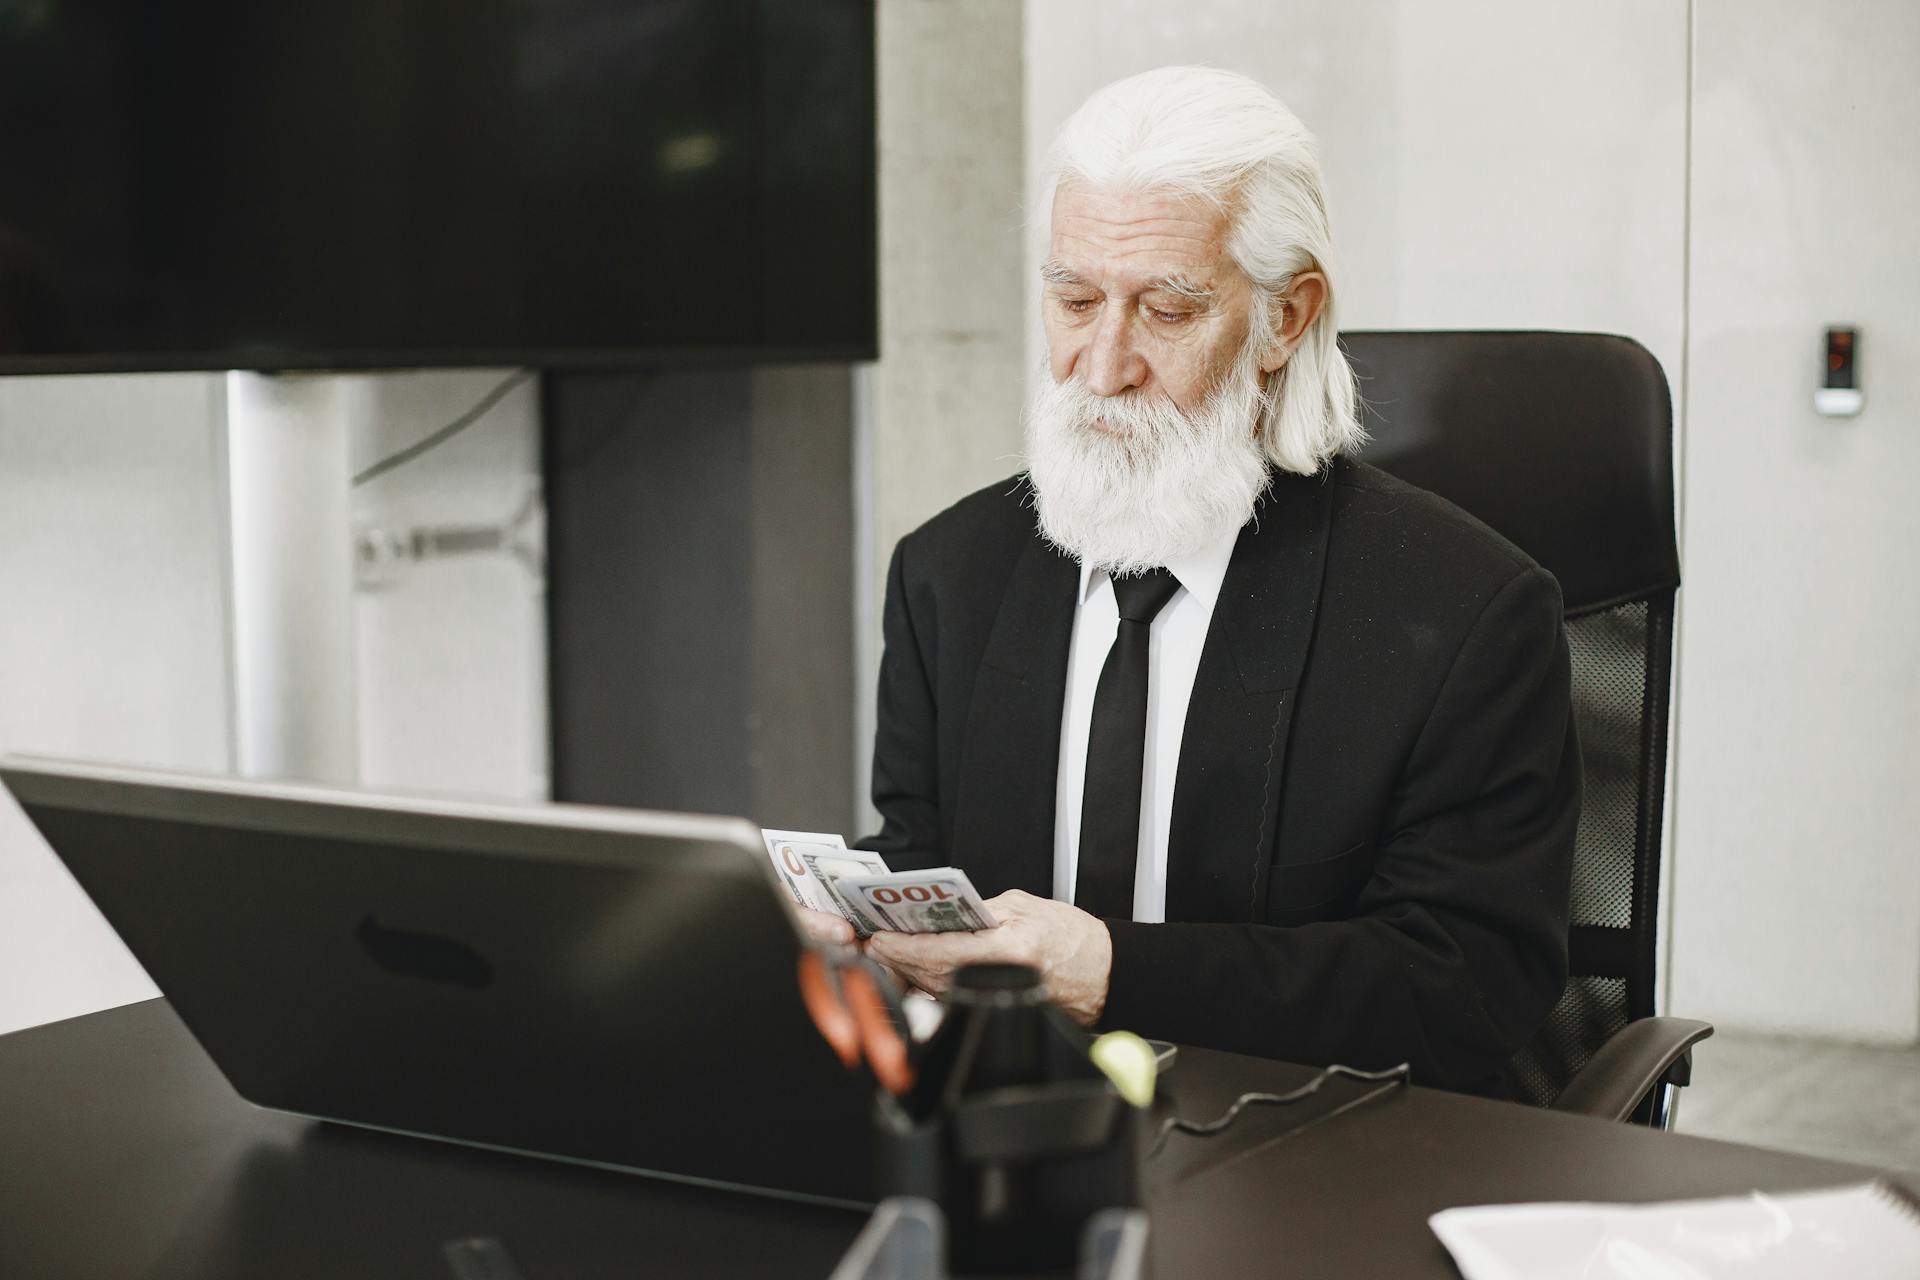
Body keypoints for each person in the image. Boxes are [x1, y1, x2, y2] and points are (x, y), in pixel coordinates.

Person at [810, 65, 1578, 1099]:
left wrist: (1115, 972)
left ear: (1285, 317)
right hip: (1016, 1128)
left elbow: (1465, 985)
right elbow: (924, 857)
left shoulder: (1466, 617)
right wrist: (855, 918)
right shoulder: (949, 574)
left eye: (1166, 309)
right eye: (1075, 298)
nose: (1102, 362)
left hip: (1313, 1149)